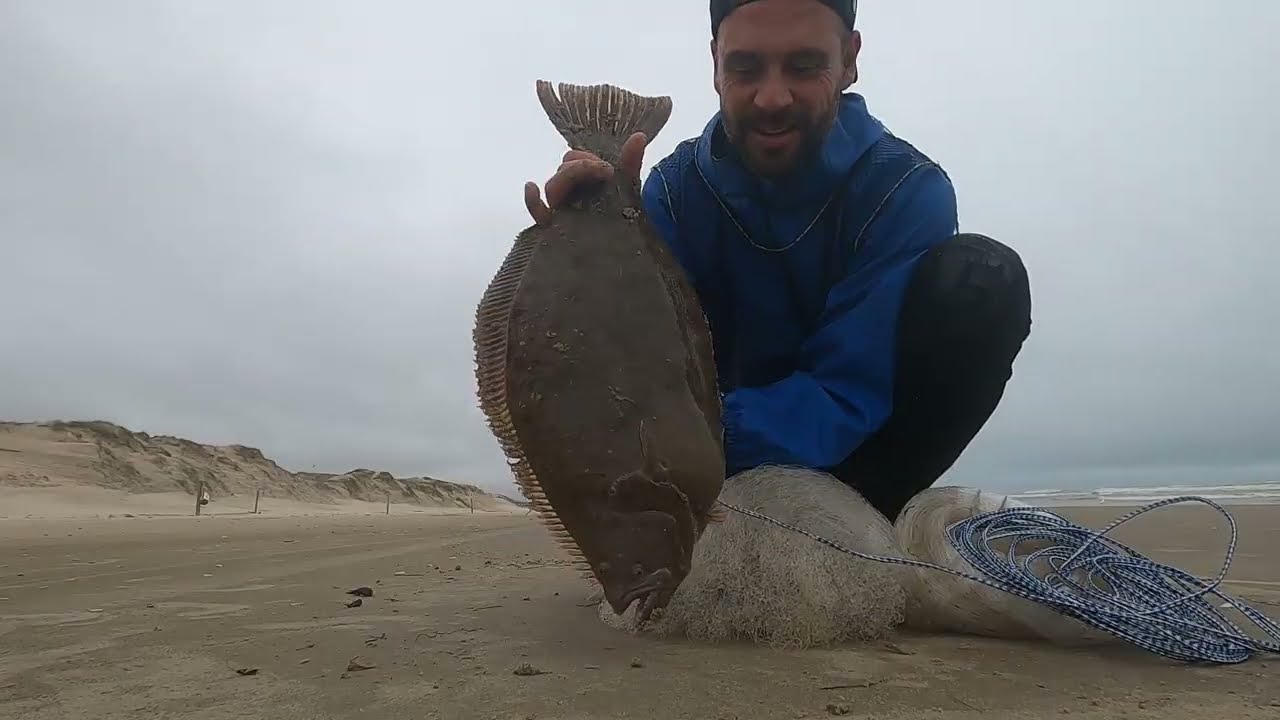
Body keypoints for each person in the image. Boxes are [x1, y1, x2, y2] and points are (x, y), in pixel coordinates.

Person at [523, 0, 1031, 521]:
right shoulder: (671, 193)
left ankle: (872, 519)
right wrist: (584, 253)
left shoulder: (906, 190)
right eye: (745, 68)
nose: (771, 98)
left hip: (845, 457)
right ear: (715, 66)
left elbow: (849, 387)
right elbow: (631, 362)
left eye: (804, 66)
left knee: (983, 279)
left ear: (850, 60)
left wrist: (691, 439)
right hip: (704, 462)